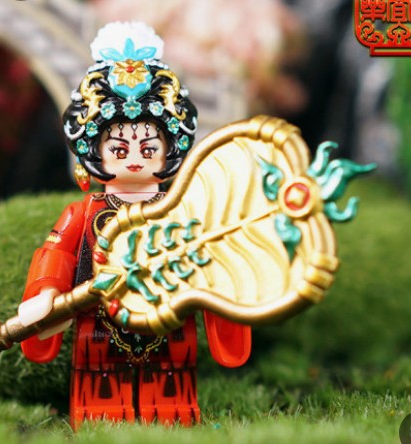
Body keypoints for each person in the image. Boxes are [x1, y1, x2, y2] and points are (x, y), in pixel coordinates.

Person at [17, 22, 251, 429]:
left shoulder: (181, 210)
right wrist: (48, 292)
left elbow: (207, 257)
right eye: (120, 149)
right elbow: (57, 253)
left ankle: (174, 417)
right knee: (99, 386)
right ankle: (97, 419)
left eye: (148, 147)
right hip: (98, 322)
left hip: (168, 321)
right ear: (94, 150)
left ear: (169, 149)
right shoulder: (83, 212)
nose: (136, 159)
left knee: (172, 385)